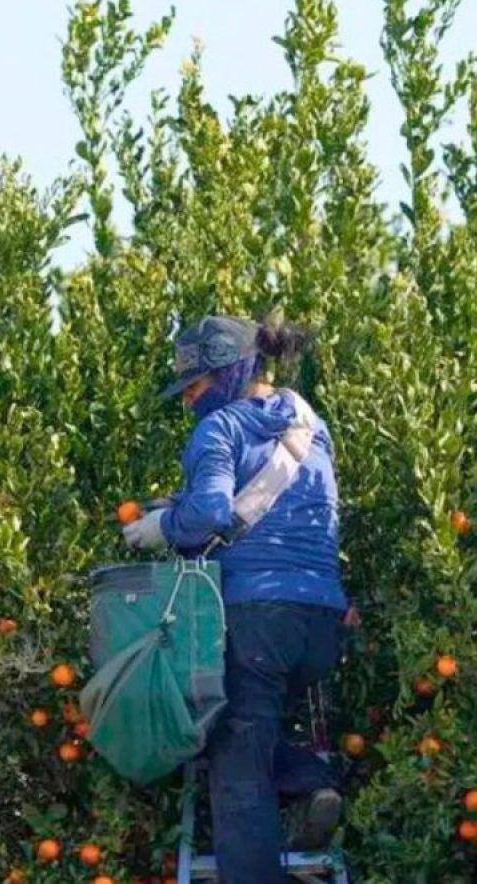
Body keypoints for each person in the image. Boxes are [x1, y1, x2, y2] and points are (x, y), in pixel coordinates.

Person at [121, 314, 349, 884]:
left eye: (194, 387)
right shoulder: (310, 425)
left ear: (227, 373)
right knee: (251, 726)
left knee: (233, 761)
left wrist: (161, 526)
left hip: (254, 619)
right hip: (322, 625)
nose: (188, 401)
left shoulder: (219, 428)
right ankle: (309, 779)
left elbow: (213, 515)